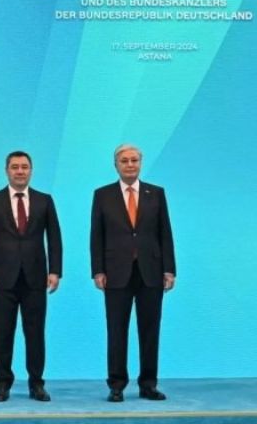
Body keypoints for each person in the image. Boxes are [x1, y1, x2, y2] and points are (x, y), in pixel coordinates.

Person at [91, 144, 176, 402]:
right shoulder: (103, 195)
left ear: (141, 163)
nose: (130, 165)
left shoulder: (156, 194)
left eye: (134, 160)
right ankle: (116, 385)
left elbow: (165, 233)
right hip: (116, 273)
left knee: (150, 330)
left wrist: (169, 269)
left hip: (151, 272)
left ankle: (148, 384)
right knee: (117, 330)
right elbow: (97, 235)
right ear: (115, 165)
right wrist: (98, 270)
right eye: (124, 161)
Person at [0, 151, 62, 402]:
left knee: (35, 333)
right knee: (3, 333)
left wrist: (55, 270)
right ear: (7, 171)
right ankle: (3, 383)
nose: (20, 171)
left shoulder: (44, 201)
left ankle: (37, 384)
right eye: (15, 167)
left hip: (36, 278)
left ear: (31, 171)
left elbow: (54, 239)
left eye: (25, 167)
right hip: (2, 279)